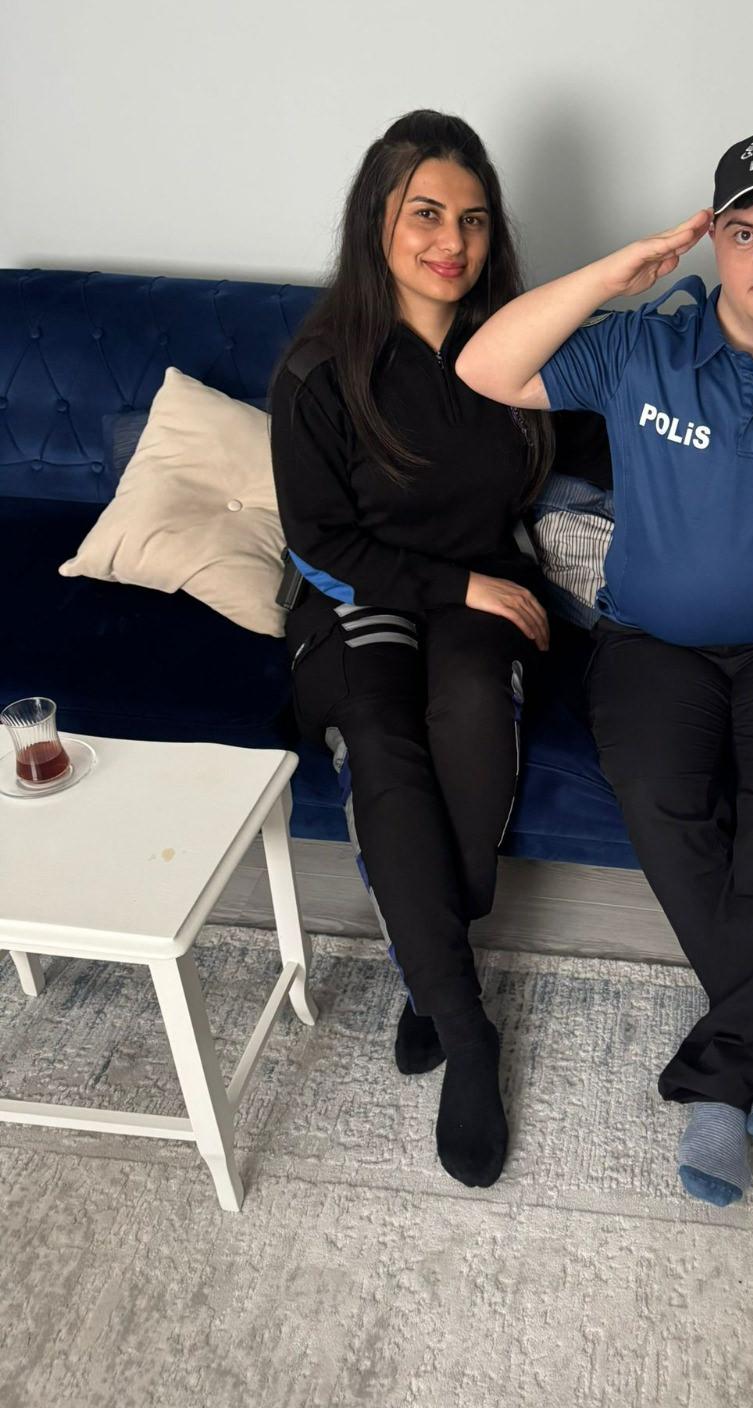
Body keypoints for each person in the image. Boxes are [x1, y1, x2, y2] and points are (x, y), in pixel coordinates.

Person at [456, 123, 753, 1205]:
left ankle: (723, 1076)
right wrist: (611, 274)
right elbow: (484, 367)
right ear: (713, 240)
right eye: (744, 231)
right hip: (650, 642)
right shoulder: (643, 347)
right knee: (659, 791)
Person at [270, 109, 555, 1189]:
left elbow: (622, 425)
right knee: (385, 738)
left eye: (473, 220)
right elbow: (319, 542)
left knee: (473, 704)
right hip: (359, 592)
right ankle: (465, 1026)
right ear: (376, 220)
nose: (452, 241)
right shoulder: (319, 369)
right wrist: (458, 584)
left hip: (482, 588)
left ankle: (429, 964)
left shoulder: (512, 352)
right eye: (426, 213)